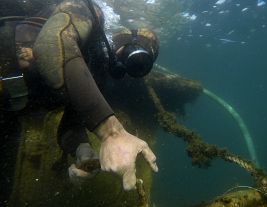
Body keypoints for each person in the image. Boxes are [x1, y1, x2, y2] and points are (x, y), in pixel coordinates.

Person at [0, 0, 159, 191]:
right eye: (133, 51)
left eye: (141, 66)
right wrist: (111, 132)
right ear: (121, 36)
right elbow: (51, 44)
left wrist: (82, 151)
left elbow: (71, 124)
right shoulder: (89, 11)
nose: (131, 62)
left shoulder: (94, 76)